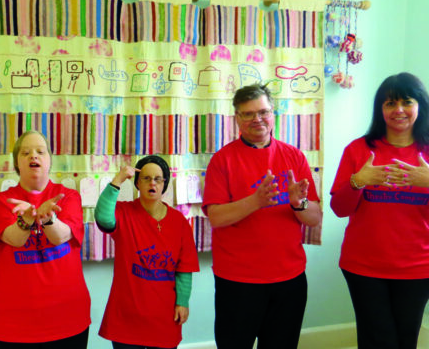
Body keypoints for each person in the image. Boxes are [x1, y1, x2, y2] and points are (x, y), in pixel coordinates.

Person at [202, 83, 322, 349]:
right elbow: (217, 217)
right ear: (237, 119)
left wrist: (297, 202)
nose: (257, 119)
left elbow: (313, 218)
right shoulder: (223, 160)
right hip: (238, 281)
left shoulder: (294, 156)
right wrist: (255, 201)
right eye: (248, 114)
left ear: (273, 114)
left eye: (263, 112)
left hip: (289, 279)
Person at [330, 72, 429, 349]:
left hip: (418, 268)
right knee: (377, 339)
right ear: (380, 110)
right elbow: (339, 209)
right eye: (389, 103)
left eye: (406, 102)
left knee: (405, 338)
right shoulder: (358, 149)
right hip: (364, 266)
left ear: (419, 105)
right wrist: (358, 182)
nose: (399, 110)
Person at [0, 130, 91, 348]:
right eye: (25, 153)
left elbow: (61, 236)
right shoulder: (2, 200)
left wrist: (47, 217)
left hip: (67, 317)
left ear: (49, 160)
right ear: (17, 164)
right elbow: (13, 239)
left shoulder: (68, 196)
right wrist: (26, 220)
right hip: (14, 323)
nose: (33, 156)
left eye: (40, 152)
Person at [95, 155, 200, 349]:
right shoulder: (123, 212)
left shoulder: (180, 223)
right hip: (126, 316)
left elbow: (184, 269)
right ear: (137, 183)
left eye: (158, 179)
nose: (152, 183)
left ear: (164, 184)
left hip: (164, 315)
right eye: (146, 178)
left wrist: (183, 302)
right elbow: (102, 218)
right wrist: (117, 180)